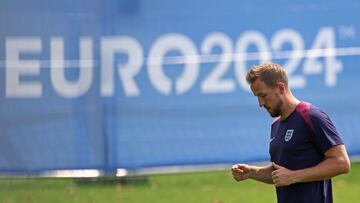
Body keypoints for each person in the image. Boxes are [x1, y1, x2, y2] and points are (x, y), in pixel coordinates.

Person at [231, 62, 351, 203]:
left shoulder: (311, 115)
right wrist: (252, 172)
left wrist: (295, 176)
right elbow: (281, 174)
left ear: (280, 88)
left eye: (263, 95)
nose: (260, 103)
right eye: (257, 97)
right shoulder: (276, 125)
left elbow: (341, 163)